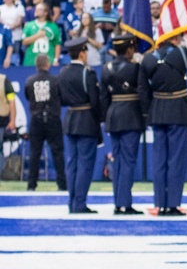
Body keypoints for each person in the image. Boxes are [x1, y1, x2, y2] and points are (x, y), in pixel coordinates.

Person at [139, 29, 187, 216]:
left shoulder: (148, 58)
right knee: (176, 160)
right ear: (175, 36)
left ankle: (160, 203)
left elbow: (143, 90)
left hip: (157, 110)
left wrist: (147, 114)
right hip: (178, 110)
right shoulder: (182, 53)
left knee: (159, 160)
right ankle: (172, 204)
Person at [100, 35, 146, 215]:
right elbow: (142, 93)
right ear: (129, 50)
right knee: (128, 161)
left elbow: (104, 97)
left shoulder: (106, 68)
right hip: (131, 116)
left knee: (118, 161)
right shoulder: (135, 68)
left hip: (113, 116)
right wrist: (146, 115)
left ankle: (118, 202)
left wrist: (105, 118)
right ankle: (125, 203)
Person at [57, 35, 102, 214]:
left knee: (72, 163)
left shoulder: (63, 72)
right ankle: (80, 203)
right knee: (85, 164)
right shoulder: (87, 73)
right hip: (86, 119)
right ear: (82, 54)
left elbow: (59, 99)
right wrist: (100, 119)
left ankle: (72, 201)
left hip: (70, 119)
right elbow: (95, 101)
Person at [24, 51, 66, 192]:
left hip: (36, 120)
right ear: (47, 65)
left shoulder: (30, 81)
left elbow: (28, 97)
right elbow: (61, 97)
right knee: (58, 153)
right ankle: (62, 184)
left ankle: (31, 185)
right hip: (53, 119)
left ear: (37, 65)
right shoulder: (55, 80)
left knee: (34, 153)